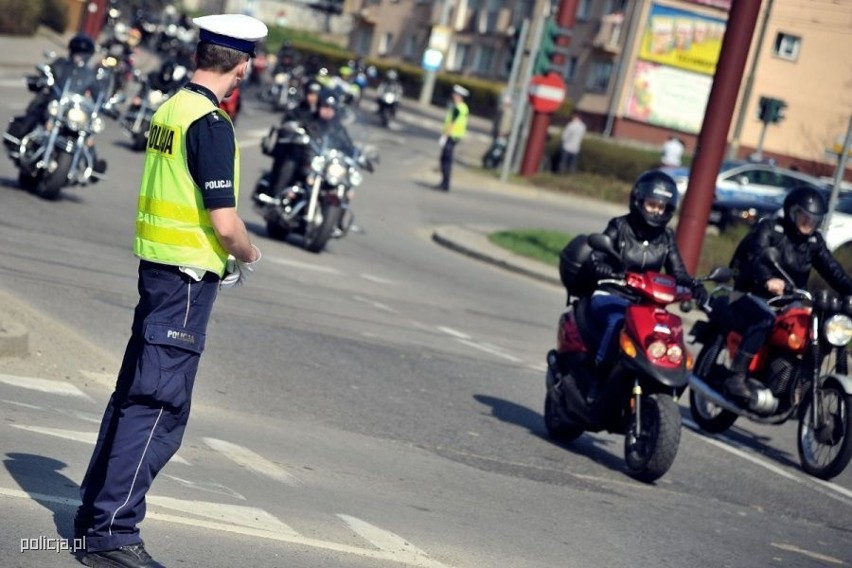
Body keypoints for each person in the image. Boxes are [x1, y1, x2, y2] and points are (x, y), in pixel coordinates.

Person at [74, 14, 267, 568]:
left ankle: (94, 516)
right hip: (184, 282)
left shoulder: (169, 108)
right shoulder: (210, 122)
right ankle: (113, 535)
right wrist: (249, 255)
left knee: (132, 397)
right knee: (158, 406)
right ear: (242, 64)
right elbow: (225, 223)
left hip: (158, 271)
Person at [723, 186, 852, 400]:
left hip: (790, 301)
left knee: (816, 331)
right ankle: (736, 375)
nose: (808, 223)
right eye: (804, 216)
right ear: (792, 212)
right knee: (765, 319)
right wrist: (767, 279)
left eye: (814, 219)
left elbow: (833, 269)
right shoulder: (770, 230)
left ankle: (800, 385)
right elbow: (754, 257)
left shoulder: (813, 242)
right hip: (751, 293)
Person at [583, 170, 706, 370]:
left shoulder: (666, 237)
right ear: (638, 201)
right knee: (617, 322)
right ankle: (598, 370)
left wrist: (695, 286)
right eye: (651, 204)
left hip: (647, 305)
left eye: (661, 207)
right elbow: (596, 256)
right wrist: (604, 269)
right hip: (613, 294)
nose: (656, 211)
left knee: (670, 334)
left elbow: (679, 273)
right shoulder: (619, 226)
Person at [4, 34, 101, 154]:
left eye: (83, 54)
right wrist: (40, 81)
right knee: (38, 109)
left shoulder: (90, 75)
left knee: (87, 132)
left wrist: (104, 105)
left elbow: (98, 94)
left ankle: (92, 165)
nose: (79, 56)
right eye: (77, 52)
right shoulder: (61, 64)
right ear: (71, 51)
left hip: (71, 110)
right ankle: (18, 138)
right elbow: (46, 74)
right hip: (55, 102)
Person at [437, 84, 469, 191]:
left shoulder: (457, 108)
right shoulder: (463, 107)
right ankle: (444, 182)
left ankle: (445, 184)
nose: (453, 96)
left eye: (456, 95)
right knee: (446, 159)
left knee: (446, 160)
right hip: (456, 136)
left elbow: (452, 123)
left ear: (459, 96)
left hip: (451, 136)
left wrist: (445, 136)